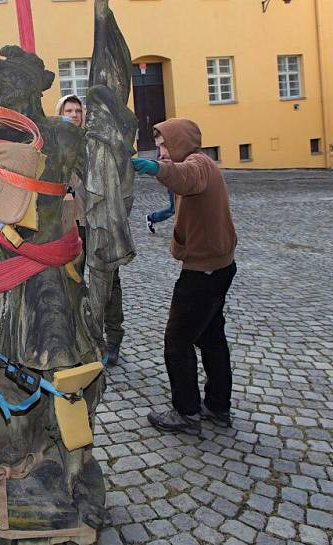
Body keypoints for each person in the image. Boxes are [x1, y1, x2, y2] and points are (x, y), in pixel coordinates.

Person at [131, 118, 237, 435]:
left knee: (177, 343)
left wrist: (154, 168)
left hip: (202, 273)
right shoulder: (202, 164)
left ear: (179, 143)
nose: (161, 150)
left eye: (165, 144)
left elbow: (184, 178)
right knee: (211, 337)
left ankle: (186, 411)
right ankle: (218, 406)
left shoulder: (197, 165)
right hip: (219, 266)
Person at [56, 94, 127, 365]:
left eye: (78, 110)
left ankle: (113, 338)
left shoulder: (94, 142)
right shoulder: (54, 145)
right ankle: (78, 338)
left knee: (109, 281)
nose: (74, 115)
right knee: (71, 282)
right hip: (69, 225)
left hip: (99, 222)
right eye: (68, 110)